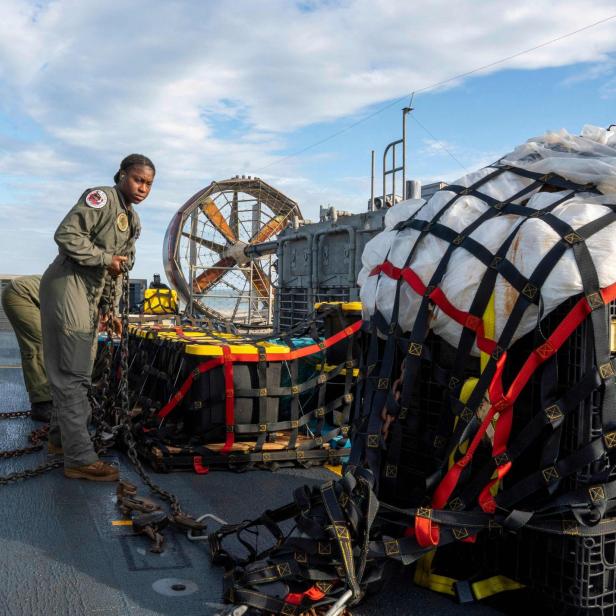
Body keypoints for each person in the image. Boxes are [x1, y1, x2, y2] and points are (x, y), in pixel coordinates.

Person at [40, 154, 155, 481]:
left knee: (80, 371)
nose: (143, 188)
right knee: (72, 374)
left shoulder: (132, 220)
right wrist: (104, 258)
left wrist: (111, 310)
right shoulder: (102, 198)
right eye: (137, 180)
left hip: (90, 293)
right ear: (122, 176)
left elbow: (117, 272)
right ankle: (78, 458)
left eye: (148, 184)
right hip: (69, 284)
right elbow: (66, 235)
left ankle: (60, 440)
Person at [1, 275, 53, 421]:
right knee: (39, 345)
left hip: (31, 296)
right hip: (20, 294)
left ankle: (49, 395)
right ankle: (42, 404)